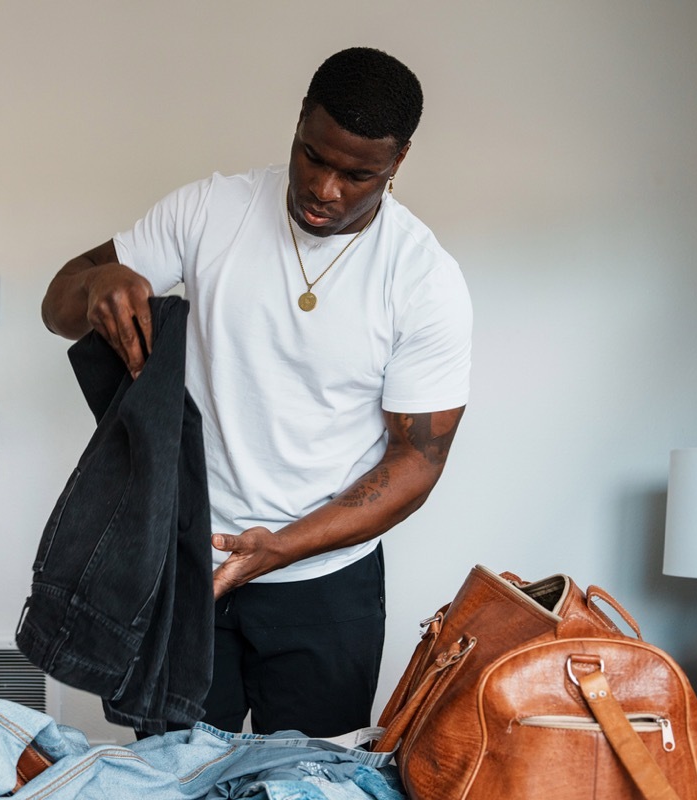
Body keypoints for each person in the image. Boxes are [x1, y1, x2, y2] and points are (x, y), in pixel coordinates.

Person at [41, 46, 471, 738]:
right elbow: (58, 305)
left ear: (399, 161)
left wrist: (284, 547)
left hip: (327, 583)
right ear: (301, 121)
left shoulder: (424, 280)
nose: (326, 189)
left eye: (358, 175)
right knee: (170, 779)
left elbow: (417, 461)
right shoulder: (212, 208)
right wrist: (96, 284)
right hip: (186, 566)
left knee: (310, 782)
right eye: (313, 157)